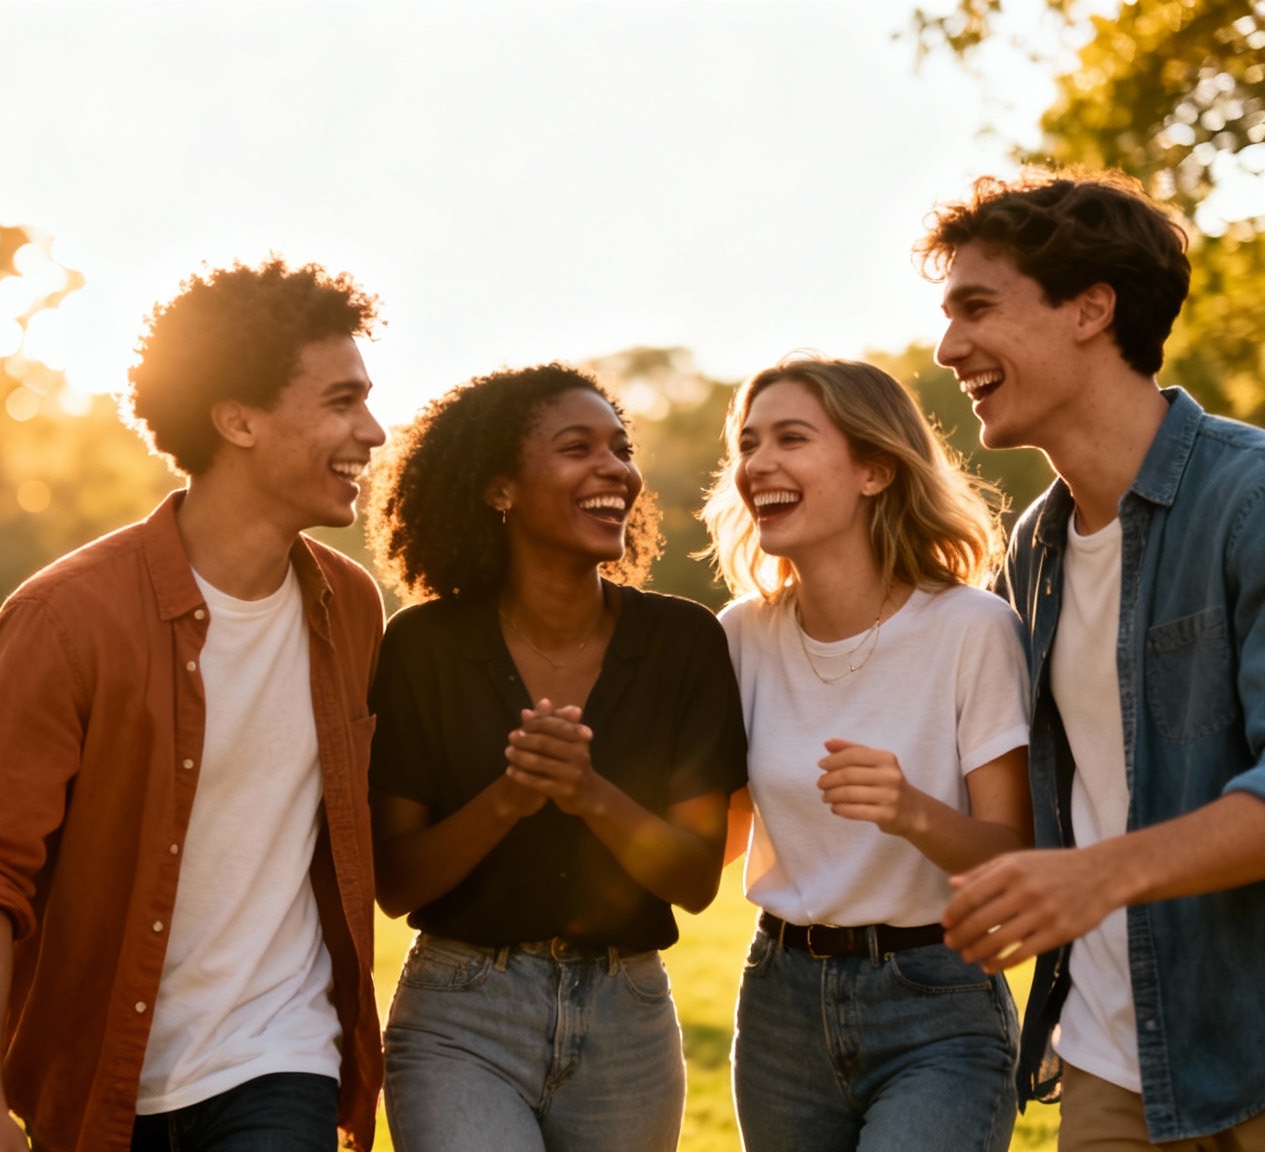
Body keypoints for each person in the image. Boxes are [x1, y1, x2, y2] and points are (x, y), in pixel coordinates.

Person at [0, 258, 390, 1152]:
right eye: (342, 401)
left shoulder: (350, 608)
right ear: (237, 419)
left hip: (280, 1056)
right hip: (98, 1075)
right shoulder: (66, 618)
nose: (373, 430)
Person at [925, 170, 1265, 1150]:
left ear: (1090, 309)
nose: (948, 349)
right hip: (1109, 1058)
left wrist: (1096, 876)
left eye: (977, 309)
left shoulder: (1248, 503)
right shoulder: (1032, 550)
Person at [362, 363, 746, 1152]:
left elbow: (695, 880)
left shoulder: (683, 642)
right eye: (578, 448)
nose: (616, 470)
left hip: (627, 1023)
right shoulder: (423, 647)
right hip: (461, 1016)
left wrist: (588, 792)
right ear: (498, 486)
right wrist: (508, 797)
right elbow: (396, 884)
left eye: (621, 449)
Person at [701, 356, 1033, 1152]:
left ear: (875, 470)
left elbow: (1014, 856)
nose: (758, 464)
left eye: (791, 438)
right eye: (748, 443)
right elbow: (719, 839)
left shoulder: (972, 629)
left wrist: (911, 810)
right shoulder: (741, 635)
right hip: (781, 1003)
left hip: (937, 1001)